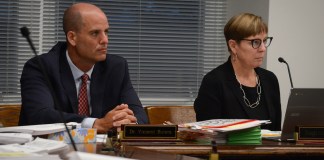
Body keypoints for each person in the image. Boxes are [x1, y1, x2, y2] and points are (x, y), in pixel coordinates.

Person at [19, 3, 148, 133]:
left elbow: (140, 115)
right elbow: (39, 115)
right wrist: (94, 124)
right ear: (72, 38)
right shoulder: (41, 67)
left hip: (101, 152)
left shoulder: (116, 67)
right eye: (95, 33)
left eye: (106, 32)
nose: (105, 40)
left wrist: (126, 122)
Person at [194, 13, 281, 131]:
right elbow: (208, 135)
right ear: (234, 46)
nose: (263, 49)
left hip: (268, 149)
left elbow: (277, 132)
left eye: (264, 41)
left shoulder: (270, 79)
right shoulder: (214, 82)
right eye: (255, 42)